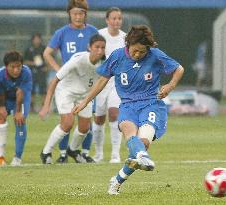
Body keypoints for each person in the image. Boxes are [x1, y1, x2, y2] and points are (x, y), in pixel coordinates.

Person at [72, 25, 184, 195]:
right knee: (129, 133)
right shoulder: (117, 56)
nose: (138, 55)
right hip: (127, 105)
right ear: (128, 44)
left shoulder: (155, 55)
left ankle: (118, 179)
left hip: (150, 103)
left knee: (143, 143)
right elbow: (102, 80)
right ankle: (138, 159)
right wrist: (86, 101)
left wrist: (171, 85)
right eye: (135, 51)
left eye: (142, 52)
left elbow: (178, 69)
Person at [43, 0, 98, 163]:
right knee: (67, 122)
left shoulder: (93, 31)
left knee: (85, 125)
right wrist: (58, 69)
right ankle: (53, 153)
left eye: (81, 13)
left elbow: (101, 54)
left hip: (87, 83)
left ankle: (74, 151)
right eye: (75, 13)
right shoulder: (62, 32)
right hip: (67, 82)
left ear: (85, 14)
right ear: (69, 14)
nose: (78, 17)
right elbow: (47, 53)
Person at [39, 34, 106, 164]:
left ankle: (73, 150)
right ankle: (46, 152)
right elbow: (54, 81)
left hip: (85, 96)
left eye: (103, 47)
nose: (100, 50)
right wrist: (46, 105)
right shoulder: (77, 60)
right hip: (66, 92)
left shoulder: (105, 63)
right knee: (67, 124)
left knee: (84, 128)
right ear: (89, 47)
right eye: (96, 47)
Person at [93, 7, 126, 163]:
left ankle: (115, 154)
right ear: (107, 20)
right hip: (101, 80)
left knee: (114, 114)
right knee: (99, 118)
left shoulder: (125, 38)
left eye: (119, 18)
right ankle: (98, 154)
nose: (116, 21)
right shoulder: (100, 35)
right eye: (113, 18)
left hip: (117, 82)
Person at [0, 51, 32, 166]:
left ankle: (17, 158)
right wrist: (2, 107)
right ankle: (0, 157)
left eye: (19, 66)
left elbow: (20, 92)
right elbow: (0, 93)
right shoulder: (0, 74)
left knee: (20, 121)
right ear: (6, 66)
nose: (16, 70)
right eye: (12, 67)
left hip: (21, 98)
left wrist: (17, 111)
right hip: (6, 98)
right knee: (0, 119)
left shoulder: (26, 72)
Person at [24, 33, 47, 112]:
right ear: (32, 40)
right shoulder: (29, 49)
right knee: (31, 90)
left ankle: (44, 107)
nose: (37, 40)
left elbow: (49, 59)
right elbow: (25, 61)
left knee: (43, 90)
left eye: (38, 39)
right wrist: (34, 63)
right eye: (35, 39)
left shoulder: (44, 48)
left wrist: (46, 67)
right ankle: (31, 107)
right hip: (31, 73)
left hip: (41, 73)